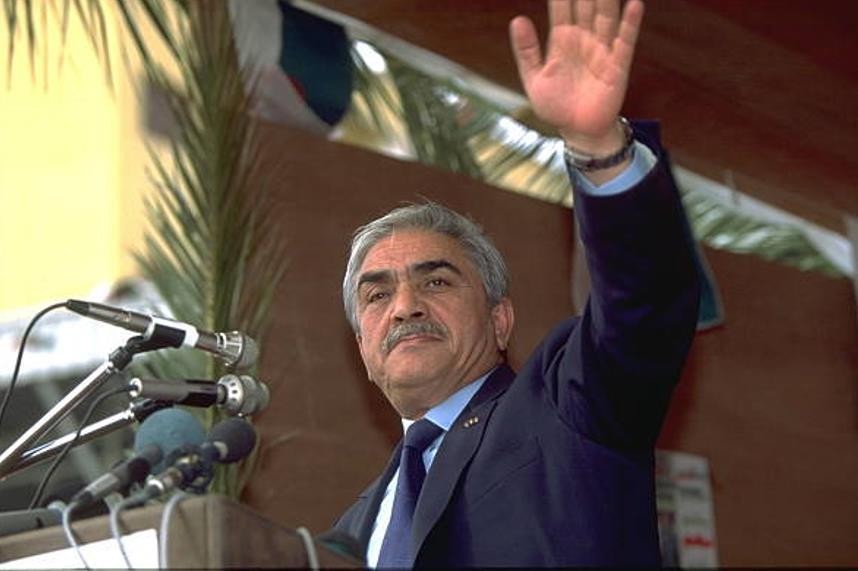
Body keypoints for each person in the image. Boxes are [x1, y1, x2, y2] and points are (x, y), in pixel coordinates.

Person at [333, 0, 700, 566]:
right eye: (377, 295)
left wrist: (599, 148)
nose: (404, 307)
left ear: (499, 319)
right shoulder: (350, 532)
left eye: (436, 282)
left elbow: (642, 307)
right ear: (363, 346)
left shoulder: (565, 406)